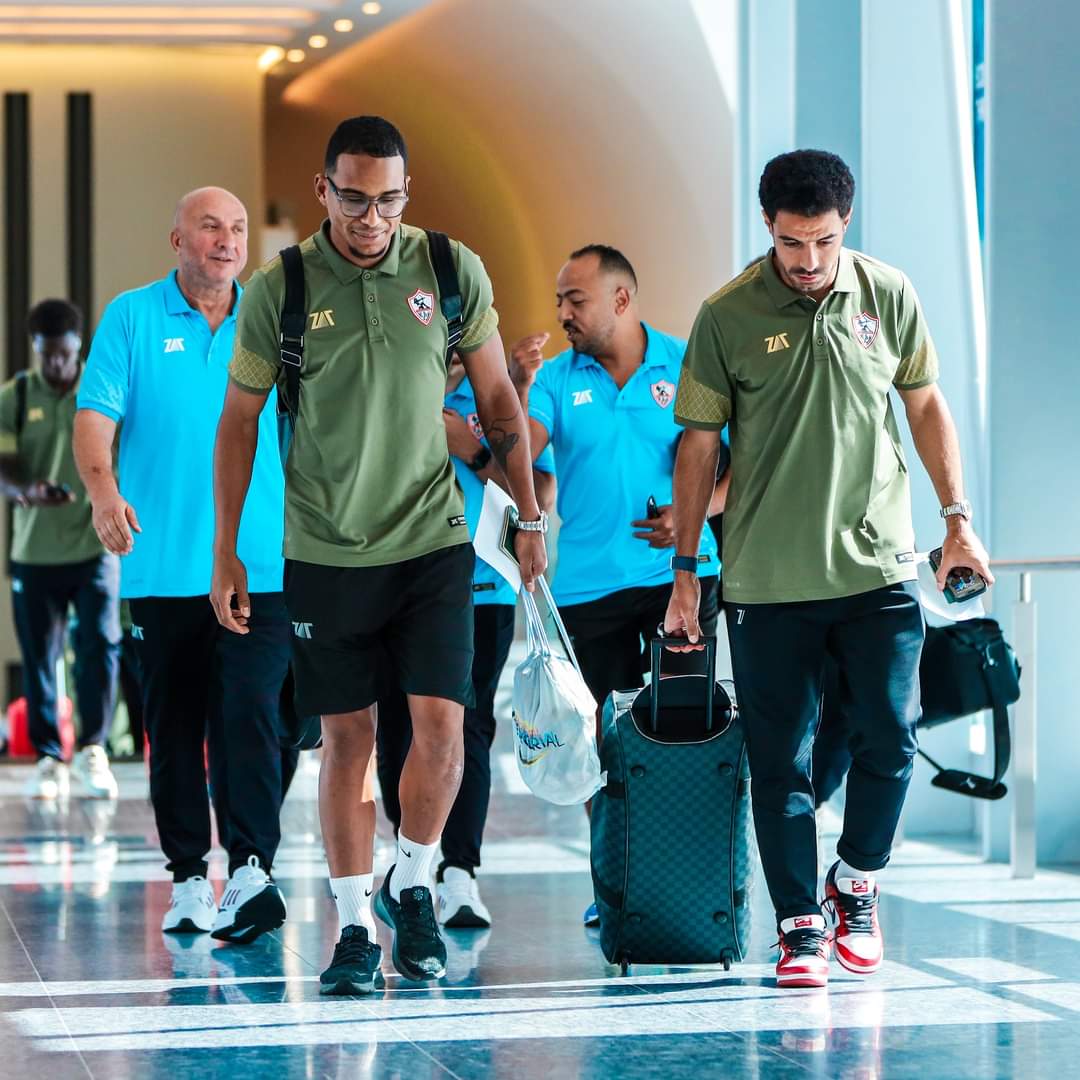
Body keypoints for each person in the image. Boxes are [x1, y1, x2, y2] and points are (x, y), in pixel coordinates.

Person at [210, 116, 547, 996]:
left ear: (407, 192)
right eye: (355, 200)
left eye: (389, 200)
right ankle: (357, 926)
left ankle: (416, 877)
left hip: (432, 541)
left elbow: (498, 399)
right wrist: (227, 550)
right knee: (348, 740)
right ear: (324, 190)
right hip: (324, 550)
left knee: (444, 729)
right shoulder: (280, 289)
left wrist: (528, 515)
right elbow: (239, 424)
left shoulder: (449, 269)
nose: (372, 219)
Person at [664, 149, 994, 989]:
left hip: (877, 566)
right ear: (767, 227)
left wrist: (958, 521)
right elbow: (699, 445)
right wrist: (686, 572)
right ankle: (799, 925)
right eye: (791, 243)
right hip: (767, 580)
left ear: (845, 224)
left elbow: (924, 404)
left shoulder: (887, 293)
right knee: (781, 761)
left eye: (823, 241)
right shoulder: (726, 315)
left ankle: (856, 878)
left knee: (891, 733)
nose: (808, 261)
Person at [73, 187, 292, 942]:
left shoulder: (270, 321)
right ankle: (191, 877)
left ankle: (253, 867)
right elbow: (94, 418)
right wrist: (103, 492)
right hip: (164, 568)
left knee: (254, 717)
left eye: (238, 229)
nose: (227, 240)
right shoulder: (132, 318)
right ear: (177, 239)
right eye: (210, 227)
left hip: (261, 565)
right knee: (173, 728)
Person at [509, 245, 725, 926]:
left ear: (622, 299)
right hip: (588, 591)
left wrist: (694, 515)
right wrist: (515, 389)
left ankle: (686, 886)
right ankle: (618, 884)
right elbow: (521, 453)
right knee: (601, 744)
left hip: (681, 581)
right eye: (559, 300)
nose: (562, 313)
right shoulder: (554, 378)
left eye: (575, 299)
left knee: (684, 736)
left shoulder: (687, 362)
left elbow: (740, 464)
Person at [376, 353, 555, 931]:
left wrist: (473, 451)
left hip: (482, 590)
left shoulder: (495, 400)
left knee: (469, 728)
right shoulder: (387, 386)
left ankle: (459, 872)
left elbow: (540, 491)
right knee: (398, 727)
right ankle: (412, 863)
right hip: (396, 586)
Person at [0, 299, 121, 800]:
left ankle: (94, 748)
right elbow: (3, 464)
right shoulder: (16, 395)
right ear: (36, 348)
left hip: (95, 546)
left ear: (78, 348)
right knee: (40, 657)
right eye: (47, 354)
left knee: (99, 647)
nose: (56, 364)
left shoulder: (102, 387)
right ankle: (50, 757)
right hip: (35, 551)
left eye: (64, 355)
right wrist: (26, 490)